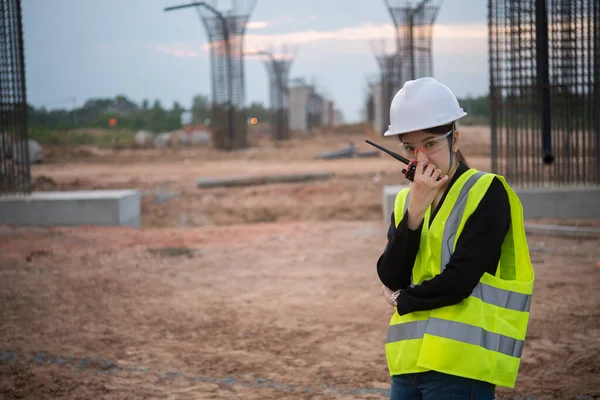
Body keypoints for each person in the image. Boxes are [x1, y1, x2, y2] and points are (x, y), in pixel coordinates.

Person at [376, 77, 535, 400]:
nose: (420, 160)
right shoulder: (406, 203)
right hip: (408, 365)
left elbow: (460, 280)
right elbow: (391, 274)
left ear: (455, 139)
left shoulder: (486, 192)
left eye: (431, 144)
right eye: (409, 148)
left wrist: (402, 299)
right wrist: (415, 213)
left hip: (461, 365)